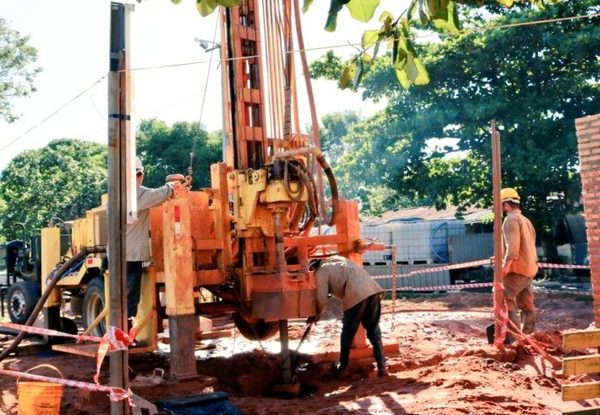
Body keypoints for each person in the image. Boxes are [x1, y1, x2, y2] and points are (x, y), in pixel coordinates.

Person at [311, 255, 387, 378]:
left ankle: (343, 368)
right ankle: (382, 367)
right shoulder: (337, 260)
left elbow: (321, 298)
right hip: (372, 289)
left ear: (314, 268)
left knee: (347, 332)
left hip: (355, 292)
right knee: (374, 330)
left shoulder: (321, 271)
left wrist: (316, 314)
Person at [126, 157, 175, 324]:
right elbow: (158, 195)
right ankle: (123, 336)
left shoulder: (119, 193)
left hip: (122, 253)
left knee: (124, 296)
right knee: (130, 297)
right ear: (139, 174)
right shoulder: (134, 194)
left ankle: (121, 334)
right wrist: (173, 186)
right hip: (130, 255)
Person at [501, 187, 538, 337]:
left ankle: (514, 338)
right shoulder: (526, 220)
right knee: (526, 302)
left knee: (504, 298)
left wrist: (503, 270)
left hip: (517, 271)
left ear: (506, 205)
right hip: (530, 268)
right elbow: (528, 245)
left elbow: (513, 251)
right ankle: (529, 335)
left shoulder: (510, 219)